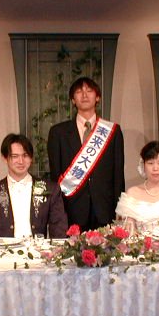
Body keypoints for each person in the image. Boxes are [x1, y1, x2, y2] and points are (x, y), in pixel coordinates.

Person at [47, 77, 125, 232]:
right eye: (79, 92)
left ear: (97, 97)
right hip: (71, 208)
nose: (84, 95)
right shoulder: (58, 132)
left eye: (89, 91)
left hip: (104, 208)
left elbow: (118, 174)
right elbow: (56, 174)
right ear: (73, 100)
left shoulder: (112, 131)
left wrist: (120, 207)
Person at [0, 133, 68, 239]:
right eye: (15, 156)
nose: (21, 161)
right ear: (5, 158)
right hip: (3, 249)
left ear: (31, 158)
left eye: (25, 155)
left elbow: (59, 230)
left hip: (37, 248)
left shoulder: (50, 189)